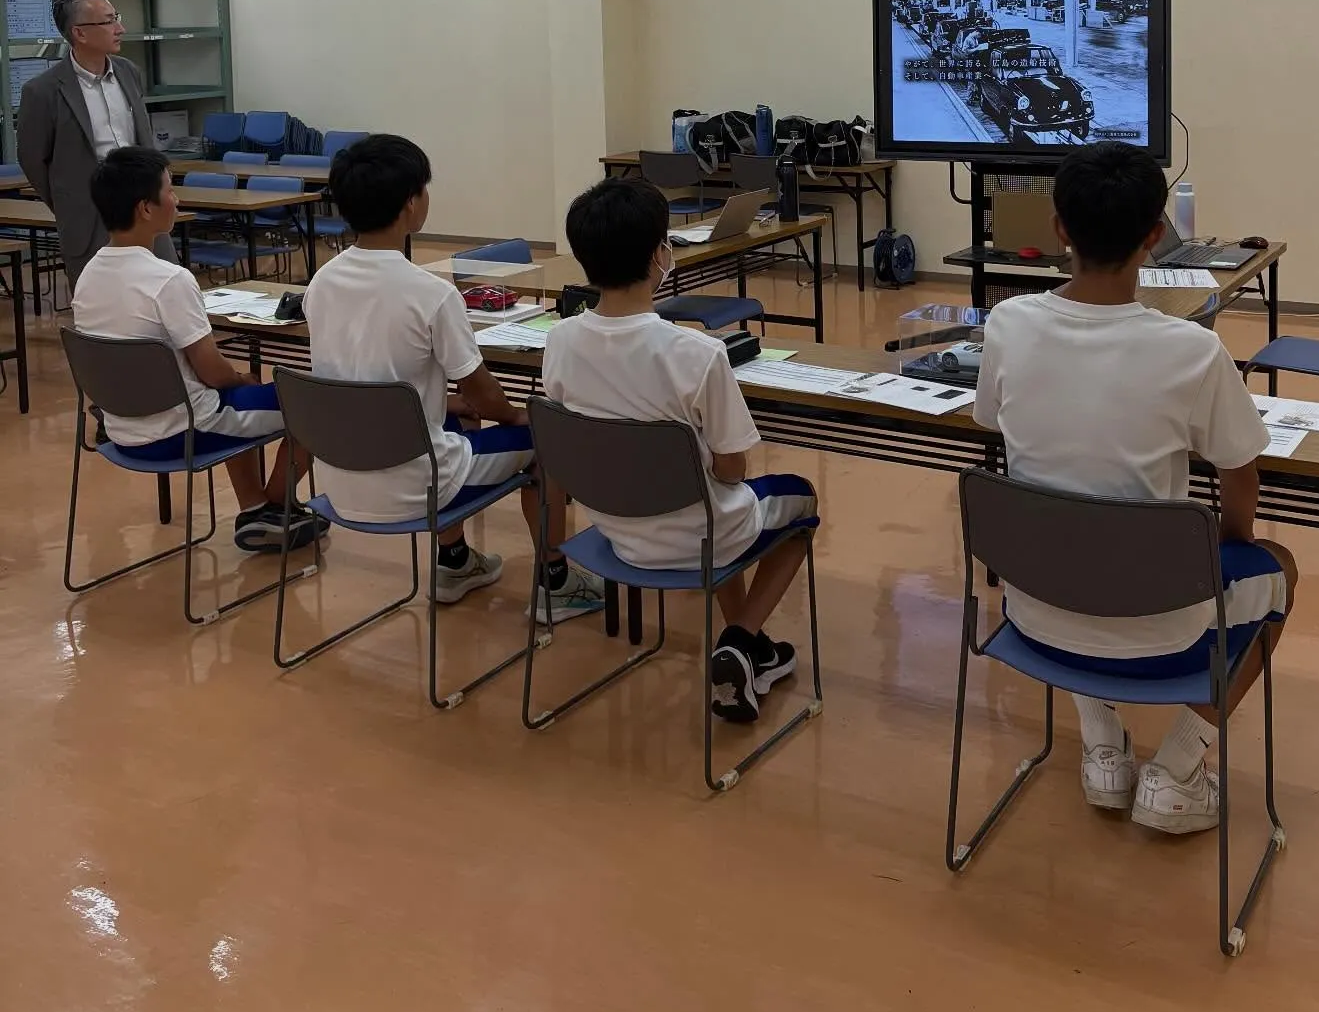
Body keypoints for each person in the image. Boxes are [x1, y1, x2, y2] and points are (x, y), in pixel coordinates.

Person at [971, 142, 1298, 836]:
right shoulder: (1191, 349)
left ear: (1058, 227)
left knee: (1071, 534)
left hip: (1034, 615)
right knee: (1279, 569)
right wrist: (1226, 545)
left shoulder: (1007, 325)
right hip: (1161, 625)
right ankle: (1177, 770)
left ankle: (1102, 746)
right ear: (1156, 235)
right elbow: (1240, 473)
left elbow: (991, 422)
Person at [543, 176, 819, 725]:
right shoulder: (698, 352)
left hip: (614, 533)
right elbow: (734, 466)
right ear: (659, 254)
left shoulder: (560, 340)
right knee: (799, 503)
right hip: (700, 532)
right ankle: (740, 639)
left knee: (720, 509)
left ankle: (750, 652)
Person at [303, 135, 603, 616]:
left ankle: (456, 560)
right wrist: (522, 419)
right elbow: (486, 397)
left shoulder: (321, 283)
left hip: (338, 481)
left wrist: (459, 406)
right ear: (411, 205)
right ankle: (557, 580)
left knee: (456, 419)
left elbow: (362, 380)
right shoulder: (430, 293)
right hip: (413, 482)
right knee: (545, 445)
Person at [71, 147, 322, 552]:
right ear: (145, 209)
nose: (177, 200)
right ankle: (279, 510)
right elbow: (212, 371)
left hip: (121, 430)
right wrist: (242, 378)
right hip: (181, 431)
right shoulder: (169, 279)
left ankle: (257, 507)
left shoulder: (87, 276)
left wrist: (236, 384)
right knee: (313, 402)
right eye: (170, 191)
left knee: (230, 397)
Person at [17, 0, 177, 294]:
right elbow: (33, 159)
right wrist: (70, 202)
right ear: (79, 33)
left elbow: (142, 137)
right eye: (109, 20)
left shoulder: (128, 72)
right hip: (88, 215)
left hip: (145, 207)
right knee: (103, 307)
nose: (120, 27)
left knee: (166, 293)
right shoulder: (43, 91)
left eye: (116, 16)